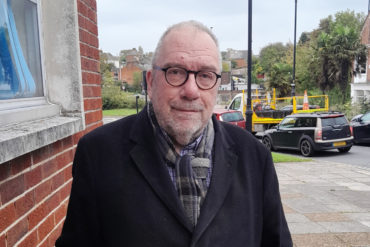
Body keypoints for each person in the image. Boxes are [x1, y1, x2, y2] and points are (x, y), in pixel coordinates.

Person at [56, 20, 292, 247]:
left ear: (217, 85)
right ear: (150, 82)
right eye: (176, 72)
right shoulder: (98, 154)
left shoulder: (254, 156)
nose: (191, 91)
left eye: (205, 75)